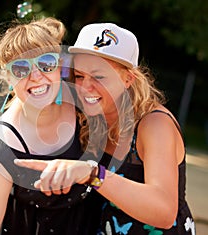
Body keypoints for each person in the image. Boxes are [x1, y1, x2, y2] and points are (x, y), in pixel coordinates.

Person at [15, 23, 196, 234]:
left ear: (128, 79)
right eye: (79, 76)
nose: (85, 87)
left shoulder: (154, 124)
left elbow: (164, 212)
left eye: (99, 77)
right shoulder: (85, 109)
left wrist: (93, 174)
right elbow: (25, 96)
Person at [0, 17, 102, 235]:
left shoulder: (84, 108)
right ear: (8, 78)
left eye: (46, 63)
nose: (36, 76)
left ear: (60, 67)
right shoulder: (6, 141)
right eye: (21, 69)